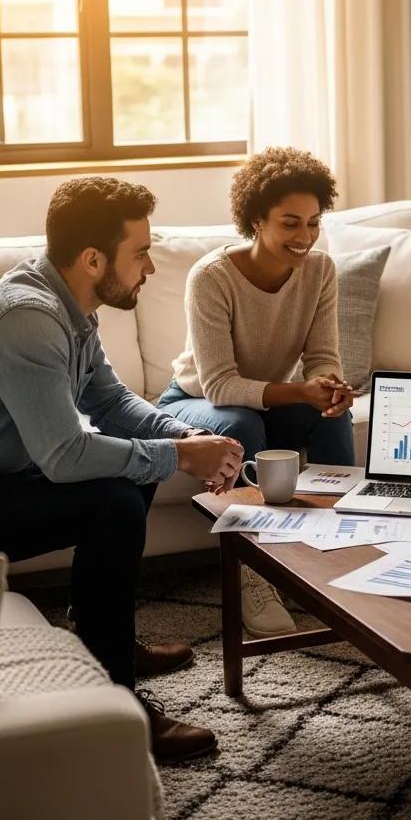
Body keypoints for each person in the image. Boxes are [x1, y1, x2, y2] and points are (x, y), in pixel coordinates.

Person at [0, 177, 243, 763]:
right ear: (93, 259)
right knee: (115, 502)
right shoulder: (28, 318)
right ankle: (118, 704)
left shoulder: (66, 304)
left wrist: (186, 437)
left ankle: (100, 634)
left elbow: (110, 401)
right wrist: (180, 457)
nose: (150, 268)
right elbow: (64, 456)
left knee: (132, 469)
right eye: (141, 253)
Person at [158, 147, 354, 638]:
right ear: (256, 220)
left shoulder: (321, 270)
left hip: (267, 403)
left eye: (313, 223)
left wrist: (328, 386)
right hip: (196, 402)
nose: (304, 236)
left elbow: (322, 355)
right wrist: (300, 390)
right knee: (241, 424)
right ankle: (254, 568)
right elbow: (220, 385)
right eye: (290, 223)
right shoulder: (212, 277)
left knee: (332, 414)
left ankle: (343, 548)